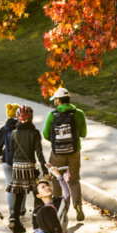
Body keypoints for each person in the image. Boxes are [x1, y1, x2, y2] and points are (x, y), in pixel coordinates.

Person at [43, 87, 87, 221]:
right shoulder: (78, 113)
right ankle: (78, 206)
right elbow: (83, 133)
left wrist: (58, 141)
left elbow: (45, 134)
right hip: (74, 152)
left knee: (56, 180)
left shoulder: (52, 115)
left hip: (57, 154)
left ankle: (59, 209)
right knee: (74, 180)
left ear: (58, 100)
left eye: (55, 99)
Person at [8, 104, 48, 233]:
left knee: (19, 195)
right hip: (29, 167)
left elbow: (12, 152)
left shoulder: (14, 133)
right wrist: (45, 170)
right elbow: (39, 153)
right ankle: (37, 223)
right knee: (37, 194)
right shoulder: (35, 133)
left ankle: (14, 220)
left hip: (16, 167)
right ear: (31, 118)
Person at [0, 102, 21, 224]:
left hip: (7, 161)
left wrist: (1, 154)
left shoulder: (4, 129)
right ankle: (22, 209)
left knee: (10, 185)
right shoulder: (23, 127)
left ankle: (12, 212)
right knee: (21, 186)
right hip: (21, 161)